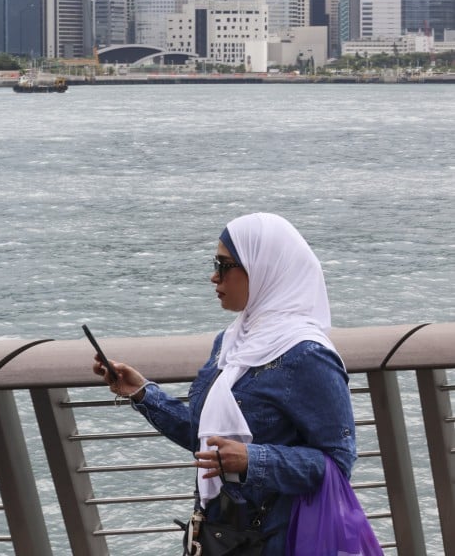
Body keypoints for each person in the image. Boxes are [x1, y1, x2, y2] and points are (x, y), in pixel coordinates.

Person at [93, 212, 357, 555]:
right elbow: (206, 439)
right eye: (214, 262)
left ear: (264, 267)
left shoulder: (307, 355)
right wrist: (143, 393)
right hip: (219, 537)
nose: (213, 276)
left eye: (225, 264)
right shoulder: (233, 342)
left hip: (274, 541)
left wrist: (254, 460)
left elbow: (337, 463)